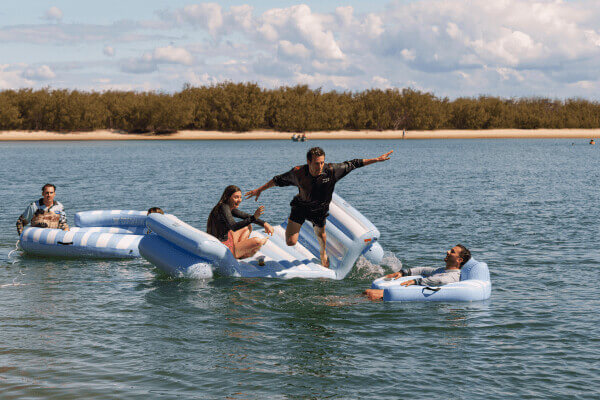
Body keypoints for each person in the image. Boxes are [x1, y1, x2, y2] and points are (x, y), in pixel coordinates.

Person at [245, 147, 393, 267]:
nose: (320, 166)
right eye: (316, 163)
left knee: (321, 235)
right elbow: (276, 180)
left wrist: (376, 159)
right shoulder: (298, 172)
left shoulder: (332, 170)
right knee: (290, 242)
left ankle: (323, 254)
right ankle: (299, 227)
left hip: (319, 210)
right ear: (308, 162)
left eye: (322, 162)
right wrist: (259, 190)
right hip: (301, 207)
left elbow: (354, 163)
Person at [364, 244, 471, 301]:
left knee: (370, 294)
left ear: (459, 260)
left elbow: (440, 280)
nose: (448, 251)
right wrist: (402, 273)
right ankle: (347, 302)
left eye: (452, 252)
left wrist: (415, 281)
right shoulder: (441, 270)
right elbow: (423, 270)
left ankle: (348, 303)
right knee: (367, 292)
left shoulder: (454, 275)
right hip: (412, 291)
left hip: (414, 295)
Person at [207, 185, 274, 259]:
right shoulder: (223, 208)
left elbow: (246, 216)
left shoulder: (226, 206)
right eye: (236, 197)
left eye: (240, 197)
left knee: (247, 226)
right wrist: (254, 217)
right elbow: (234, 226)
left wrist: (264, 224)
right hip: (222, 249)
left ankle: (241, 251)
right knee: (257, 241)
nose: (239, 200)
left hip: (226, 241)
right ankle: (240, 252)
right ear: (228, 197)